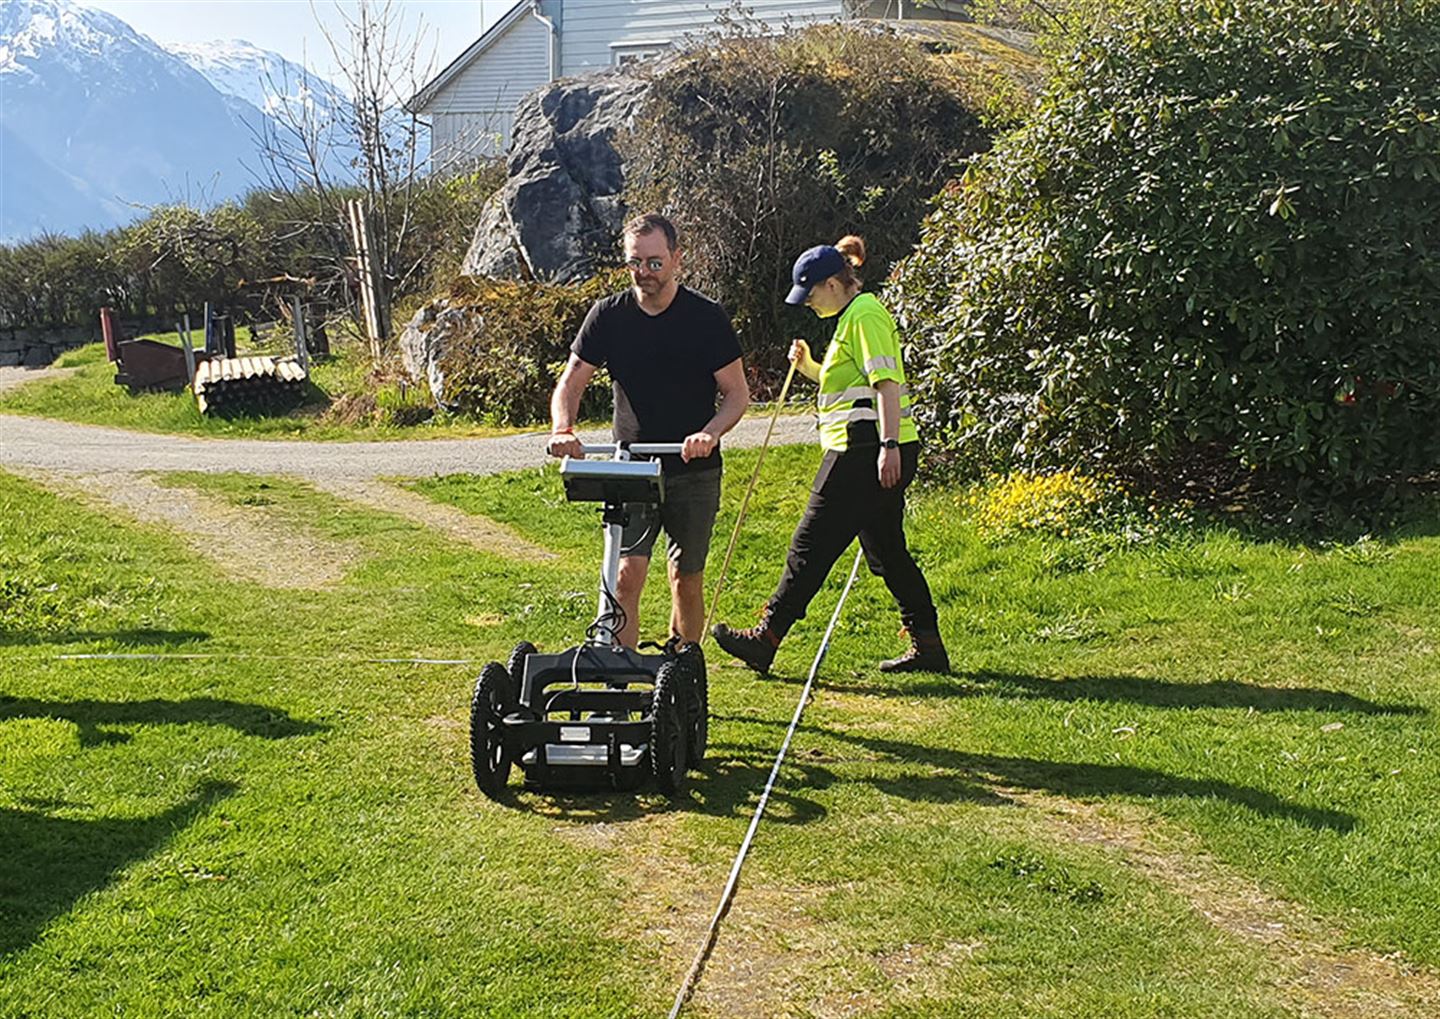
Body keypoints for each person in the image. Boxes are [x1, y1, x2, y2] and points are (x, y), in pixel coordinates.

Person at [712, 235, 949, 674]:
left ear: (834, 284)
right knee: (888, 554)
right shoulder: (851, 319)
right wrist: (809, 368)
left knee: (810, 544)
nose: (807, 304)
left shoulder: (865, 315)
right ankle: (929, 647)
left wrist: (889, 446)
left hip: (862, 449)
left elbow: (886, 383)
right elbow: (849, 382)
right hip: (865, 447)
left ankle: (767, 636)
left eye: (811, 294)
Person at [547, 213, 750, 649]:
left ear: (677, 259)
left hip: (692, 470)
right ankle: (621, 682)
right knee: (625, 576)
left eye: (655, 263)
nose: (645, 274)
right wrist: (563, 427)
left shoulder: (705, 318)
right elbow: (571, 381)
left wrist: (709, 433)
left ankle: (683, 675)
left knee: (685, 578)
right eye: (635, 263)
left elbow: (736, 395)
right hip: (632, 469)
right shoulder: (609, 316)